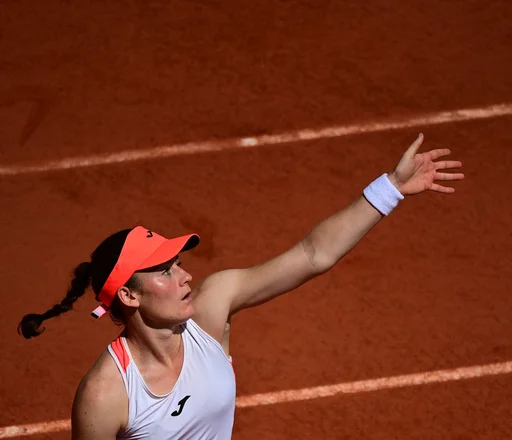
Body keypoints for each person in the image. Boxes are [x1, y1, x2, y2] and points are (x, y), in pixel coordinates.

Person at [18, 134, 464, 439]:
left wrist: (391, 188)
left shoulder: (212, 309)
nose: (185, 275)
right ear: (129, 296)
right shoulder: (105, 394)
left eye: (178, 263)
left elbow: (312, 255)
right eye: (164, 271)